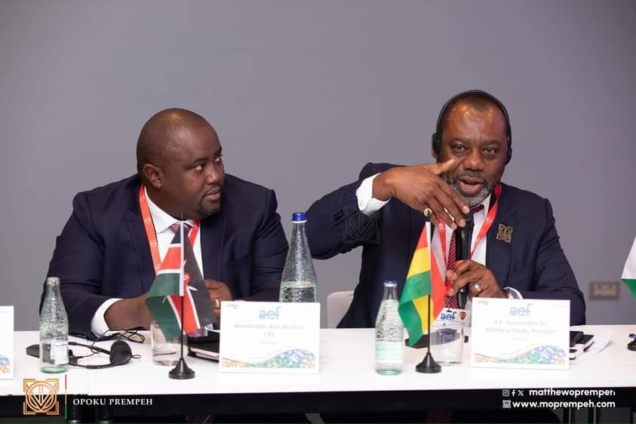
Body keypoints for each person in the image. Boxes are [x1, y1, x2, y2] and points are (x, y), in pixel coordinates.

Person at [306, 90, 586, 329]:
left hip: (476, 368)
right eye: (460, 148)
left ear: (507, 155)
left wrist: (504, 301)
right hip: (387, 362)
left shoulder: (530, 214)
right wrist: (382, 184)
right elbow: (312, 242)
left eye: (489, 150)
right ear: (435, 147)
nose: (474, 163)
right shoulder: (392, 193)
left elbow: (573, 310)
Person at [42, 108, 288, 339]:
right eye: (199, 167)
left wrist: (236, 312)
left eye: (218, 159)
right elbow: (60, 301)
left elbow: (287, 297)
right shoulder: (97, 212)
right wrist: (133, 312)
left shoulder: (253, 206)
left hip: (223, 363)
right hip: (136, 362)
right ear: (155, 176)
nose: (216, 175)